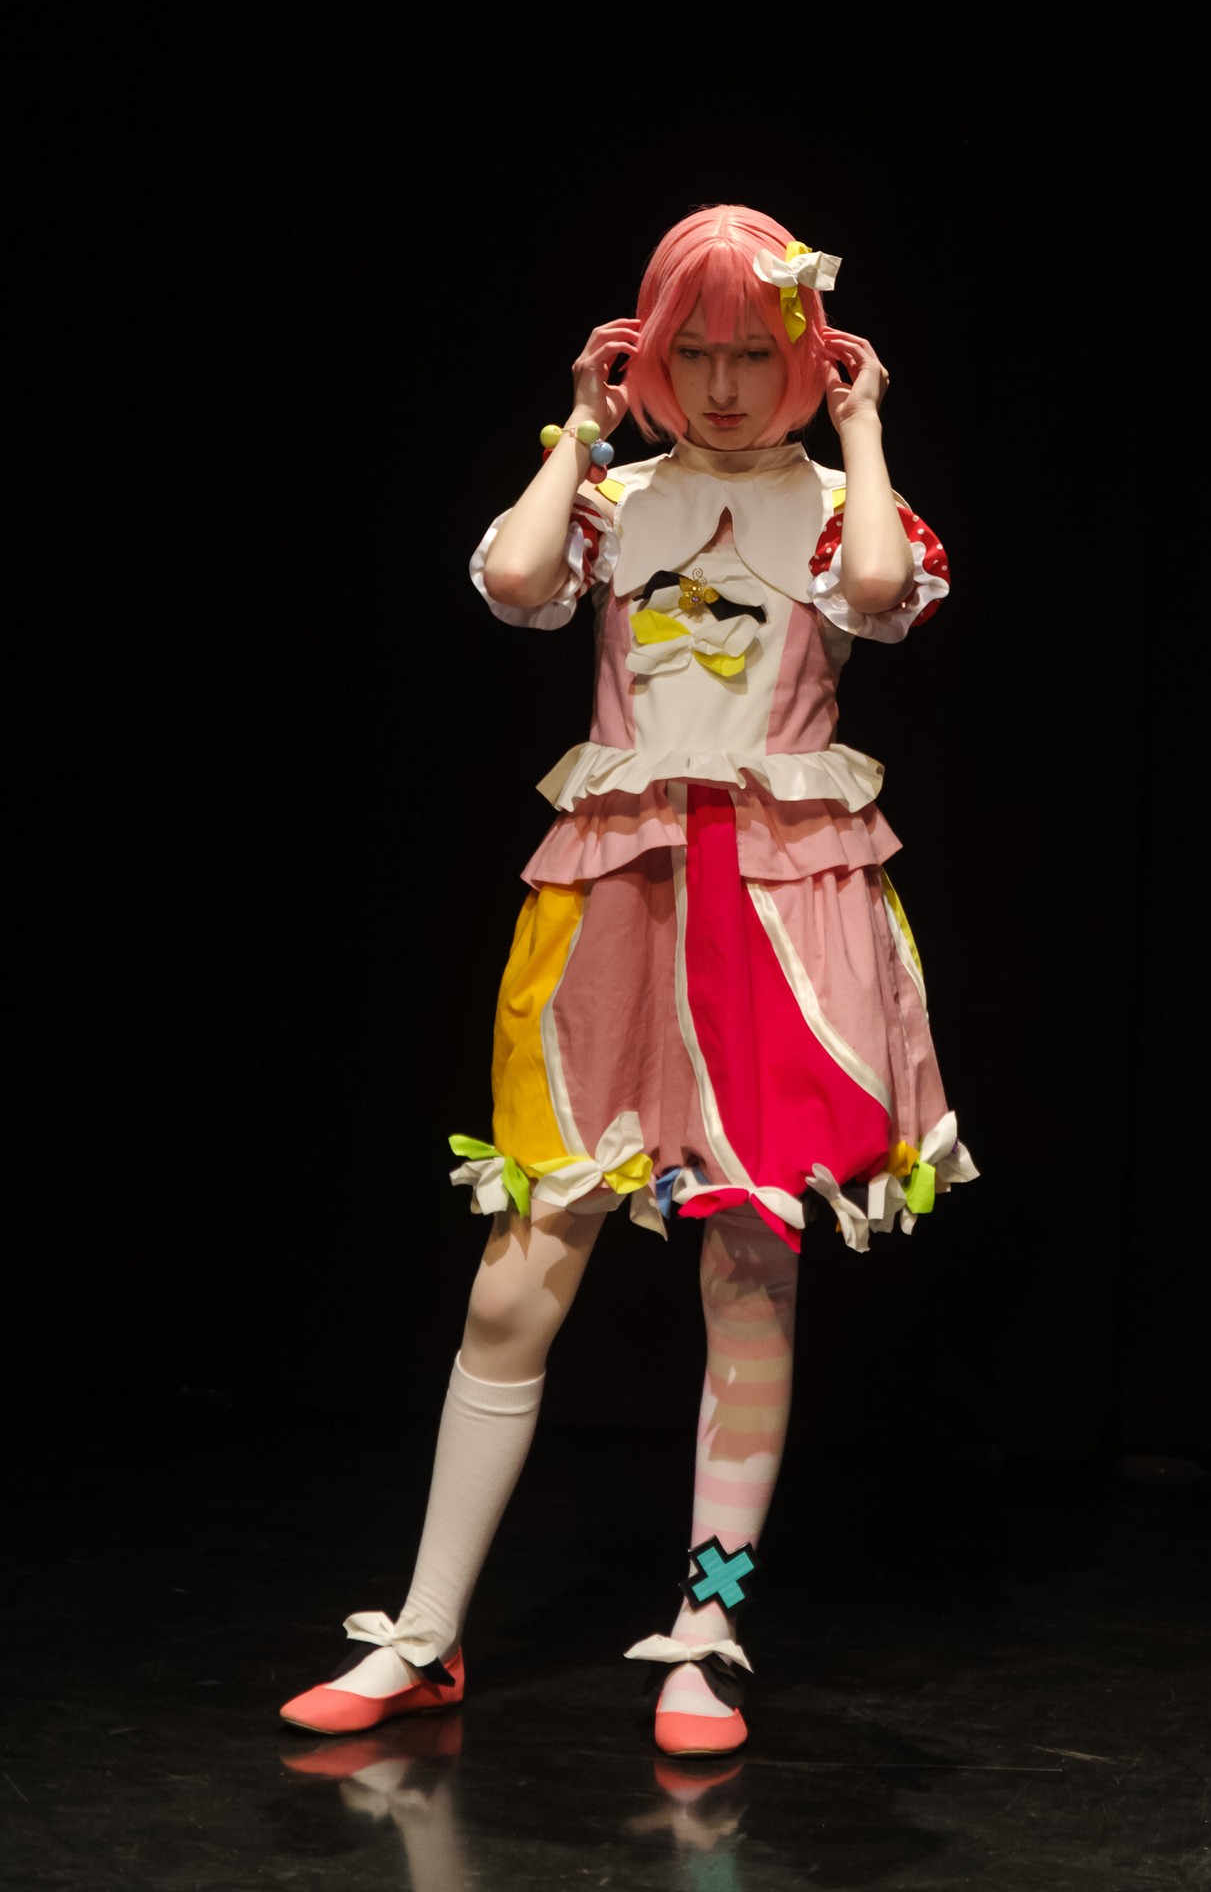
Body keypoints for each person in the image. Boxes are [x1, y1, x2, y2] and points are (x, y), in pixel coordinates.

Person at [279, 204, 976, 1758]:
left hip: (779, 911)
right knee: (521, 1265)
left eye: (755, 353)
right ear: (647, 355)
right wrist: (581, 431)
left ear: (808, 359)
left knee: (750, 1270)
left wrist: (864, 432)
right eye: (693, 352)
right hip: (614, 899)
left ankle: (708, 1632)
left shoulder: (834, 506)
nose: (722, 385)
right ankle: (426, 1635)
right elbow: (516, 582)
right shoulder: (611, 501)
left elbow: (879, 594)